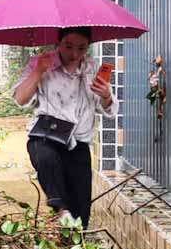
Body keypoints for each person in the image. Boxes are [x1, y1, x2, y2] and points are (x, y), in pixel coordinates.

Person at [11, 27, 115, 227]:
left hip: (79, 144)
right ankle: (60, 209)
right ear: (58, 43)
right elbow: (21, 98)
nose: (74, 54)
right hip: (46, 138)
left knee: (81, 212)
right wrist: (39, 71)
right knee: (46, 160)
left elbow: (108, 109)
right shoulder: (41, 64)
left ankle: (73, 248)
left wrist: (106, 95)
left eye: (81, 48)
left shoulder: (93, 70)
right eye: (68, 46)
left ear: (88, 47)